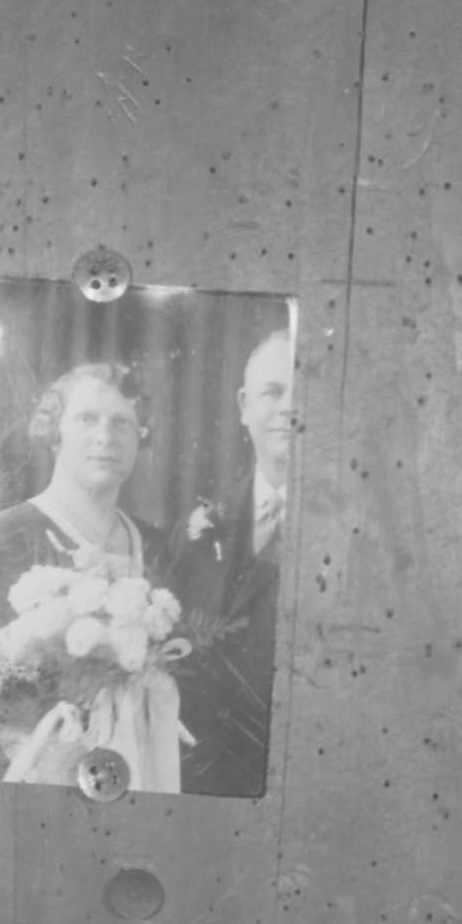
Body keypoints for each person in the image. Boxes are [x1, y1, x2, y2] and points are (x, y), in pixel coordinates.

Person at [0, 361, 176, 781]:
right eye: (87, 419)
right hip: (34, 765)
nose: (105, 436)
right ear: (54, 432)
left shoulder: (153, 543)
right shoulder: (11, 532)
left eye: (122, 423)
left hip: (140, 759)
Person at [166, 326, 294, 797]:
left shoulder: (351, 533)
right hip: (200, 780)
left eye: (303, 394)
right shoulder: (199, 528)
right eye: (272, 393)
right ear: (244, 405)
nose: (288, 408)